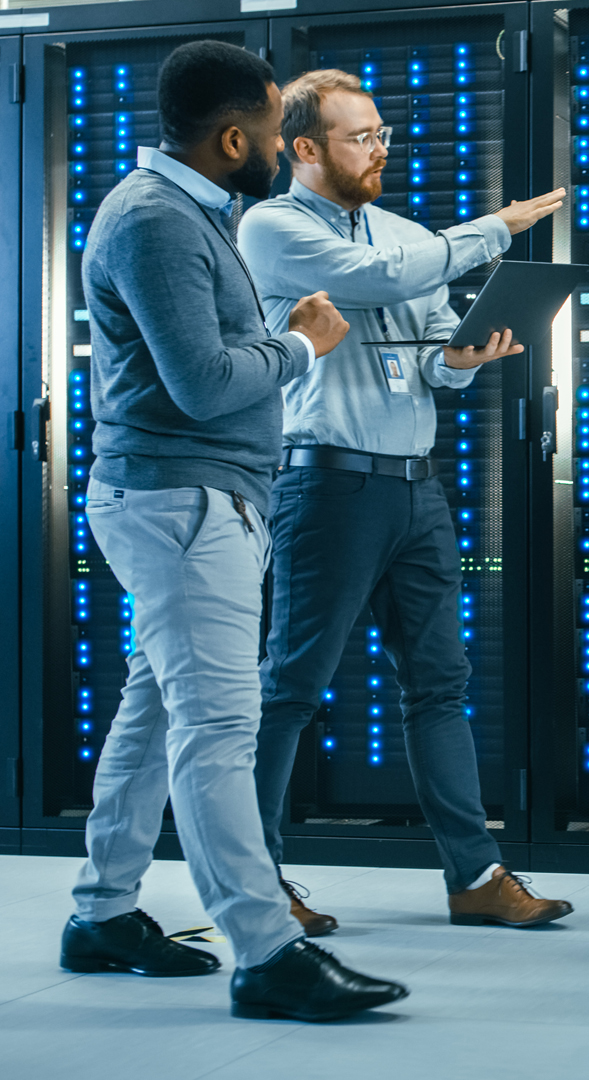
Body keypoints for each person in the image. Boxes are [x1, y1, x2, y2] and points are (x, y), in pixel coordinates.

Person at [58, 40, 408, 1022]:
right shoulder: (158, 220)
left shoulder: (188, 213)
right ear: (228, 136)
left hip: (195, 501)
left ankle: (101, 913)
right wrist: (300, 344)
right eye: (269, 131)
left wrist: (274, 336)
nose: (283, 149)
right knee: (219, 727)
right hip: (181, 502)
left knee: (157, 714)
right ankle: (269, 953)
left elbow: (208, 358)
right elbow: (207, 386)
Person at [238, 68, 571, 934]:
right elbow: (383, 281)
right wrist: (495, 229)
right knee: (292, 687)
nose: (380, 148)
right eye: (361, 137)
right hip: (326, 484)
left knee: (439, 686)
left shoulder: (401, 231)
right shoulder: (272, 227)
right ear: (305, 149)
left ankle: (477, 878)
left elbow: (422, 341)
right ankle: (258, 881)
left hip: (416, 489)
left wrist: (457, 363)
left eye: (383, 133)